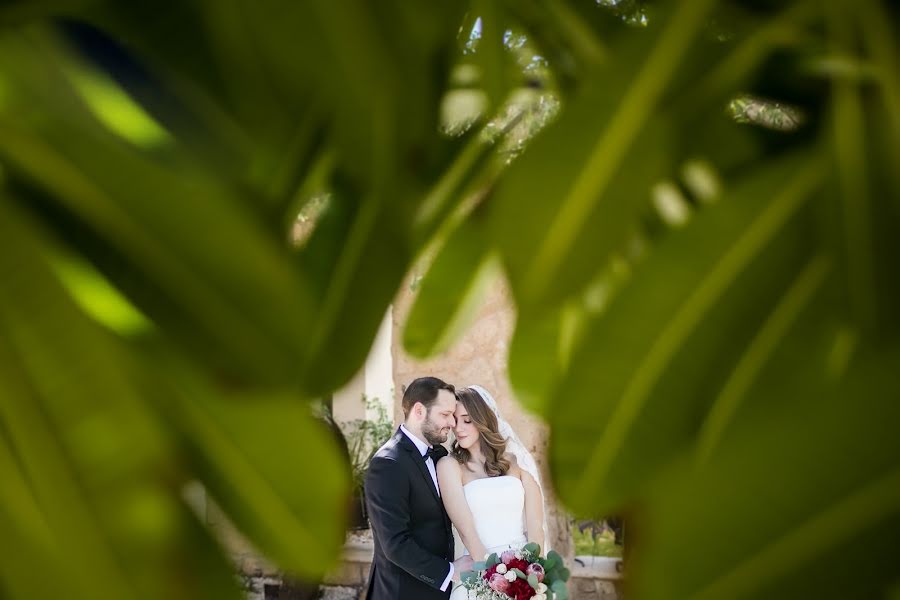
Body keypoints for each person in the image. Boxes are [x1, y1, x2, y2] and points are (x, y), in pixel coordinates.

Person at [364, 377, 475, 600]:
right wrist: (451, 572)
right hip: (401, 592)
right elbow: (395, 544)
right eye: (445, 415)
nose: (453, 424)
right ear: (419, 411)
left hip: (439, 592)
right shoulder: (387, 464)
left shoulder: (440, 455)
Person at [437, 385, 548, 600]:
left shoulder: (516, 462)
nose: (458, 428)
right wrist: (497, 581)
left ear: (483, 420)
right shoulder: (450, 465)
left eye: (467, 420)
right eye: (455, 421)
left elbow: (536, 530)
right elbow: (465, 530)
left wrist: (531, 580)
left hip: (524, 575)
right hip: (480, 576)